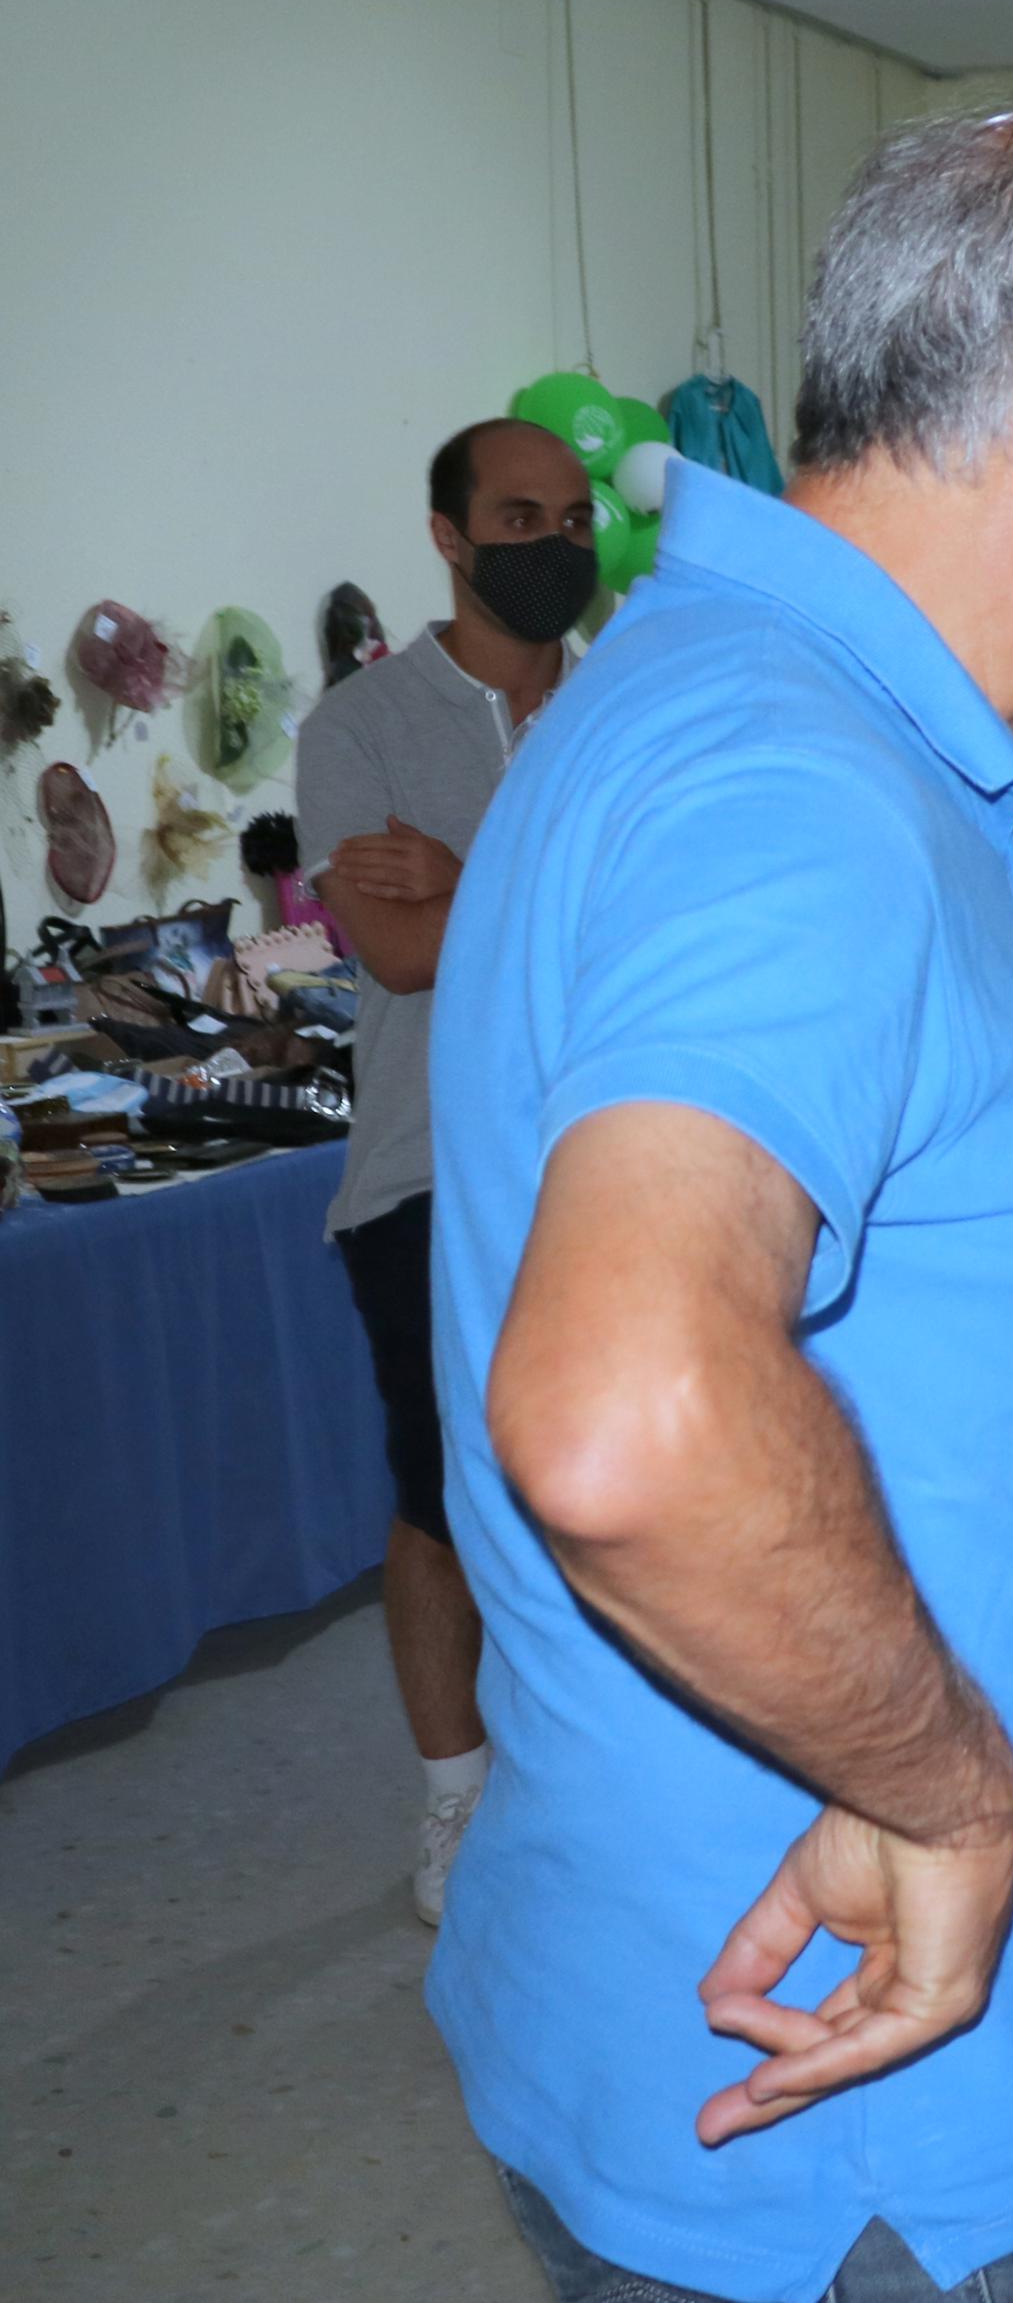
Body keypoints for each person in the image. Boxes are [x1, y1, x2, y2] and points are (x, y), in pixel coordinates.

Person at [423, 100, 1013, 2303]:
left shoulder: (716, 702)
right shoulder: (790, 786)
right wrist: (944, 1786)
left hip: (716, 1987)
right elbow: (625, 1413)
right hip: (890, 2093)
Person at [297, 413, 595, 1926]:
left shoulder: (621, 704)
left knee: (608, 1497)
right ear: (450, 537)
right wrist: (542, 908)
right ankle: (452, 1792)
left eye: (573, 515)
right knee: (442, 1505)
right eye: (522, 515)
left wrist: (474, 876)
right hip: (423, 1178)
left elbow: (657, 934)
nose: (554, 542)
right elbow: (399, 952)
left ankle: (585, 1784)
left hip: (608, 1171)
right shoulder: (358, 728)